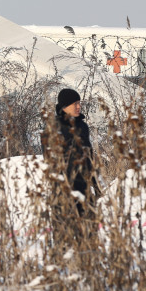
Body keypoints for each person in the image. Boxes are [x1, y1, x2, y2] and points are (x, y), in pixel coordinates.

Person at [46, 88, 97, 217]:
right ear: (64, 106)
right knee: (65, 233)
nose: (79, 106)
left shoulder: (83, 127)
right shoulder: (53, 127)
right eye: (75, 104)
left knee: (89, 232)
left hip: (84, 190)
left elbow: (90, 158)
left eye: (79, 103)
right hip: (63, 191)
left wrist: (96, 186)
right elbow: (51, 161)